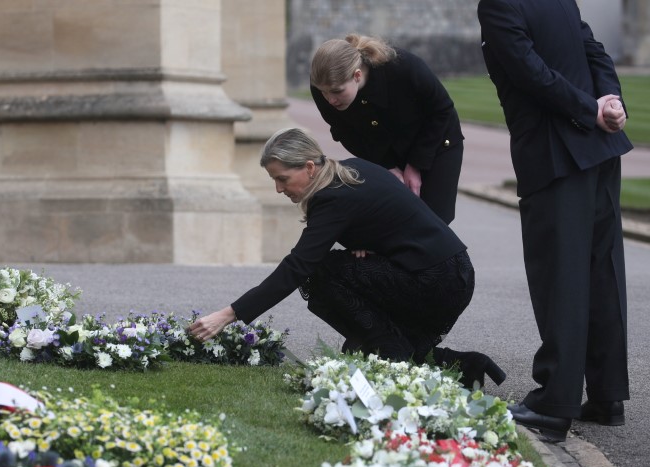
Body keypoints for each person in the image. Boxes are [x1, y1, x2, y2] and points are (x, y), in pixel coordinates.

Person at [188, 128, 505, 390]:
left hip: (437, 280)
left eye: (283, 179)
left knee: (320, 273)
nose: (277, 189)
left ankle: (393, 357)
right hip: (448, 272)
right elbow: (392, 218)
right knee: (358, 334)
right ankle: (463, 364)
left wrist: (229, 314)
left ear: (309, 167)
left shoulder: (331, 198)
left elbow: (297, 266)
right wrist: (369, 242)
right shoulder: (350, 172)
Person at [478, 0, 633, 442]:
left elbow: (531, 74)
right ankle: (606, 396)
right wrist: (609, 103)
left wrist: (592, 108)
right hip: (599, 149)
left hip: (555, 152)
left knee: (560, 279)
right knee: (602, 274)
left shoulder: (498, 5)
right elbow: (594, 51)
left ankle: (555, 402)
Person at [309, 34, 463, 224]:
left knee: (434, 220)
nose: (330, 100)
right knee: (392, 219)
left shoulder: (403, 67)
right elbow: (346, 133)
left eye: (337, 91)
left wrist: (415, 165)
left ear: (357, 75)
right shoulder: (322, 87)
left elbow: (442, 111)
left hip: (436, 142)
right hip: (383, 152)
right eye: (324, 92)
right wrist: (387, 165)